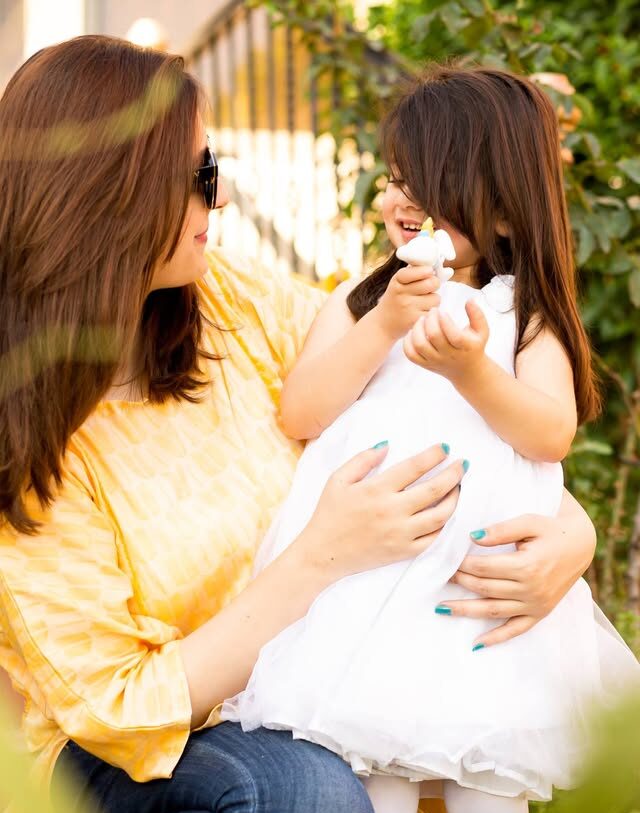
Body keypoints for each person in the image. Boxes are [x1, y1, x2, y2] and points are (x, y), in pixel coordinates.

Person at [0, 37, 597, 813]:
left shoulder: (233, 305)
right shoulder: (30, 436)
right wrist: (323, 555)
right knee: (308, 788)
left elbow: (422, 405)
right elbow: (120, 707)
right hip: (137, 750)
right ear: (112, 196)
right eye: (202, 177)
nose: (223, 202)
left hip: (319, 678)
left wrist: (566, 531)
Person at [222, 66, 640, 813]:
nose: (400, 199)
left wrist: (472, 371)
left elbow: (551, 432)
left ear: (507, 216)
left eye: (430, 181)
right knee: (366, 777)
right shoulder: (361, 298)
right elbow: (303, 411)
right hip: (364, 602)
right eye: (394, 176)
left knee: (488, 785)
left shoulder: (524, 316)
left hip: (478, 602)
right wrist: (385, 320)